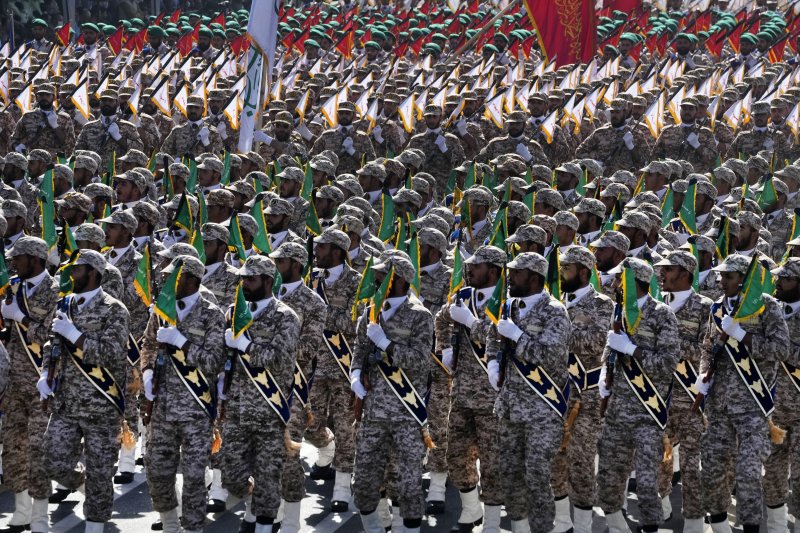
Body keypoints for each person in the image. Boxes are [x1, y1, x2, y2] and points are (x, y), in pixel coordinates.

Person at [40, 250, 130, 533]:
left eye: (76, 269)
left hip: (101, 405)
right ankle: (82, 483)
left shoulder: (114, 309)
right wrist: (45, 374)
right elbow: (52, 345)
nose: (71, 274)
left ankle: (95, 525)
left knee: (101, 472)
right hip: (66, 402)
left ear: (93, 273)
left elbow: (112, 353)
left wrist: (75, 335)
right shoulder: (64, 304)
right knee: (51, 460)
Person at [699, 254, 790, 532]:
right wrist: (703, 375)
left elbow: (781, 349)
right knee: (712, 469)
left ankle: (751, 526)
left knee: (748, 473)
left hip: (753, 406)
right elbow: (708, 347)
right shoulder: (717, 308)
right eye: (721, 276)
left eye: (728, 276)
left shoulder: (766, 306)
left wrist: (742, 335)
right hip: (719, 406)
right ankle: (719, 526)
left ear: (743, 279)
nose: (721, 281)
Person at [141, 255, 225, 533]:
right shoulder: (162, 310)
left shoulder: (212, 314)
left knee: (193, 477)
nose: (165, 280)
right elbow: (148, 345)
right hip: (163, 408)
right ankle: (169, 524)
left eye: (172, 277)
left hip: (196, 409)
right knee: (157, 471)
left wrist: (181, 342)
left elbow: (214, 361)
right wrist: (147, 372)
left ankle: (192, 528)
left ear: (190, 279)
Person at [351, 251, 433, 533]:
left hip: (406, 414)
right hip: (373, 412)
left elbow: (420, 360)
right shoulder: (371, 310)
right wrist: (355, 374)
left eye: (381, 275)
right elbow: (360, 349)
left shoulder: (420, 315)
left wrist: (386, 344)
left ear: (398, 280)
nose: (375, 279)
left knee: (408, 486)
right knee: (363, 482)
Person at [595, 258, 679, 532]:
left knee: (646, 484)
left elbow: (667, 364)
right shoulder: (619, 311)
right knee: (608, 479)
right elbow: (610, 348)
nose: (614, 284)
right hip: (617, 412)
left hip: (647, 414)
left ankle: (651, 528)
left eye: (619, 279)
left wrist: (632, 350)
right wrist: (603, 375)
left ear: (632, 282)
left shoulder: (662, 314)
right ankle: (618, 528)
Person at [221, 255, 301, 533]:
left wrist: (246, 346)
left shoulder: (285, 317)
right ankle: (254, 504)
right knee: (231, 475)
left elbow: (280, 359)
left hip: (269, 411)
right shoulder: (233, 312)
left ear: (268, 281)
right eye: (242, 278)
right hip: (236, 409)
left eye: (251, 279)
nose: (244, 283)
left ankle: (265, 523)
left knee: (268, 477)